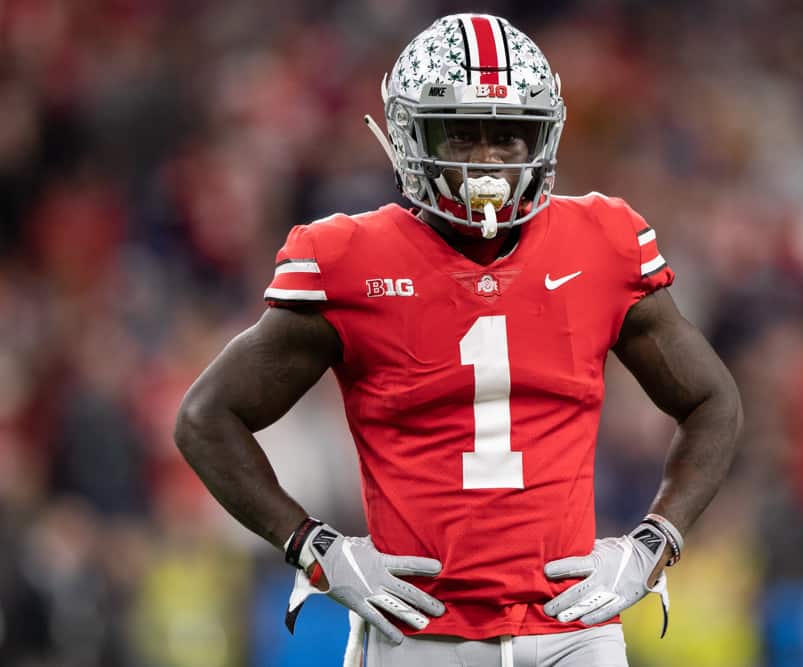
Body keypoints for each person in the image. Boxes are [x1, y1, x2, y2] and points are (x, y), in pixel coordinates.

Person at [174, 13, 742, 667]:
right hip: (422, 634)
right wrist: (316, 547)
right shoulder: (348, 258)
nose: (487, 160)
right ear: (410, 132)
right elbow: (205, 417)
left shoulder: (603, 241)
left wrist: (651, 544)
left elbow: (714, 400)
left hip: (572, 631)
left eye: (507, 136)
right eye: (463, 133)